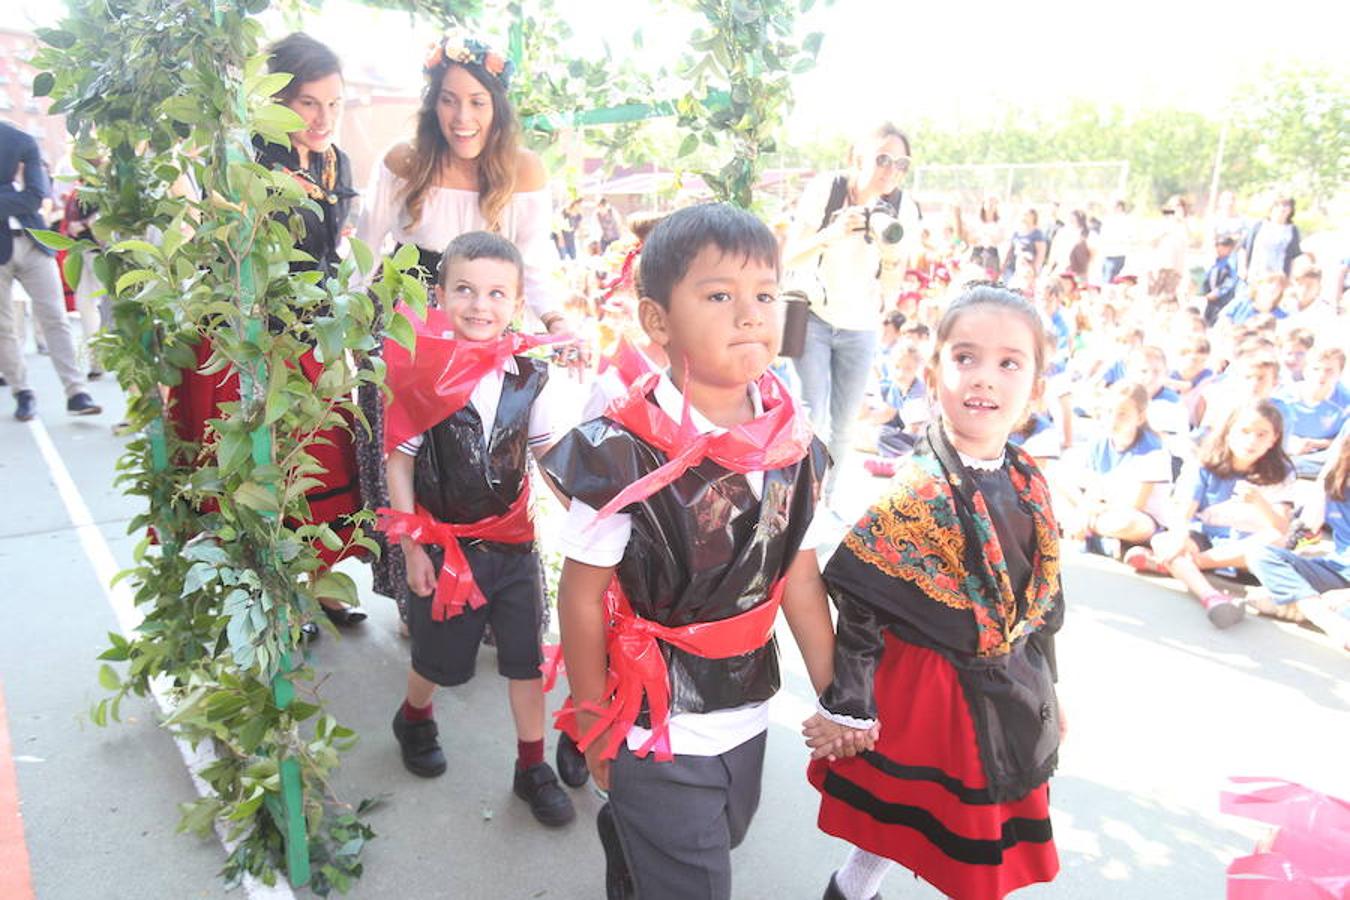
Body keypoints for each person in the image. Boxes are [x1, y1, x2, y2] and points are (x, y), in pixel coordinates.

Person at [542, 204, 849, 900]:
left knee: (725, 834)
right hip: (657, 725)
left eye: (765, 295)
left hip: (747, 709)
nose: (750, 315)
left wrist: (838, 693)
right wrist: (591, 723)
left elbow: (798, 573)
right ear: (657, 321)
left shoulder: (792, 445)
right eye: (719, 295)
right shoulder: (619, 452)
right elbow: (581, 596)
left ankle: (629, 841)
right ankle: (638, 833)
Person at [804, 284, 1065, 900]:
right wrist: (852, 704)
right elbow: (862, 612)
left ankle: (847, 891)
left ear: (1036, 386)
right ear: (933, 375)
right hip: (932, 695)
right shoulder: (915, 495)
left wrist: (1052, 690)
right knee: (939, 834)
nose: (985, 378)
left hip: (1011, 686)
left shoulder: (1030, 482)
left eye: (1009, 363)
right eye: (966, 357)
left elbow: (1045, 607)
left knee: (953, 827)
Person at [355, 30, 570, 616]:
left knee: (489, 470)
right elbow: (365, 253)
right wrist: (350, 335)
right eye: (449, 99)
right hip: (408, 343)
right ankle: (417, 600)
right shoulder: (404, 161)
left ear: (497, 107)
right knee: (411, 469)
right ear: (433, 102)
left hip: (484, 345)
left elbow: (536, 264)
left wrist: (555, 318)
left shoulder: (523, 172)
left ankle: (500, 603)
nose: (462, 116)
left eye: (477, 101)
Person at [170, 33, 366, 633]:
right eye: (309, 103)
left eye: (333, 104)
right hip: (250, 336)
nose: (323, 118)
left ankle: (319, 582)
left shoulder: (336, 160)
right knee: (263, 465)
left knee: (321, 458)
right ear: (277, 98)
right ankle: (271, 594)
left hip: (312, 332)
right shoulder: (244, 160)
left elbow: (332, 251)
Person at [380, 231, 576, 827]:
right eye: (464, 289)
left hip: (515, 547)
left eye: (496, 293)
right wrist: (413, 546)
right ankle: (414, 716)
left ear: (516, 304)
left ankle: (531, 766)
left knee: (525, 660)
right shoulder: (422, 374)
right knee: (438, 661)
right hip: (450, 554)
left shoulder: (530, 379)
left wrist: (591, 521)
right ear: (438, 296)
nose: (479, 305)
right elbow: (400, 459)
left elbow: (550, 457)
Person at [783, 122, 920, 504]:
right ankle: (799, 496)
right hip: (813, 317)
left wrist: (891, 255)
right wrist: (832, 232)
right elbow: (788, 254)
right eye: (882, 158)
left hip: (860, 326)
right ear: (856, 158)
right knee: (811, 414)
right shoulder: (828, 190)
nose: (890, 169)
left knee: (843, 424)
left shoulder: (901, 208)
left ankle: (823, 498)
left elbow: (893, 282)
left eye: (900, 162)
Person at [1126, 401, 1296, 628]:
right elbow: (1184, 511)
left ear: (1273, 439)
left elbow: (1281, 527)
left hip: (1247, 548)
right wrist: (1180, 535)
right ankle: (1211, 596)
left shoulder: (1282, 471)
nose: (1251, 441)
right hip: (1207, 536)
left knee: (1276, 540)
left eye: (1261, 434)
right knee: (1164, 540)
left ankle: (1183, 566)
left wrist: (1260, 502)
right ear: (1229, 432)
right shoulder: (1205, 463)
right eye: (1244, 431)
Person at [0, 121, 100, 420]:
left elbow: (35, 195)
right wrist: (12, 190)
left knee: (56, 317)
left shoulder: (20, 139)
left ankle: (77, 391)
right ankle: (22, 392)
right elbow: (27, 196)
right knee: (2, 326)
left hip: (35, 242)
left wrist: (13, 190)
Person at [1245, 435, 1350, 650]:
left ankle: (1294, 601)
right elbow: (1304, 533)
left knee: (1344, 609)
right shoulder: (1338, 487)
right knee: (1261, 554)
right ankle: (1317, 612)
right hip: (1338, 570)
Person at [1066, 382, 1172, 553]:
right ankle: (1102, 540)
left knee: (1128, 523)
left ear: (1140, 418)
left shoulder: (1153, 451)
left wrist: (1089, 515)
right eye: (1108, 412)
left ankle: (1088, 533)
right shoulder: (1100, 444)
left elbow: (1135, 505)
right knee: (1058, 486)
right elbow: (1093, 490)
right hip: (1103, 510)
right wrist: (1087, 508)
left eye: (1122, 414)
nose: (1112, 420)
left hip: (1139, 517)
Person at [1241, 196, 1301, 280]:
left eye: (1286, 205)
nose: (1282, 208)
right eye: (1277, 205)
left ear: (1291, 210)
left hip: (1278, 279)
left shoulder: (1293, 230)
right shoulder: (1259, 225)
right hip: (1255, 275)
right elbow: (1244, 248)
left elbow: (1294, 257)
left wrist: (1290, 279)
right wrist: (1243, 268)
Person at [1002, 208, 1047, 292]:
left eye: (1026, 214)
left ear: (1033, 217)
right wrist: (1003, 264)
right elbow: (1010, 249)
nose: (1024, 216)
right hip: (1013, 266)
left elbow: (1041, 254)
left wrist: (1034, 271)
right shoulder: (1017, 232)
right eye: (1023, 214)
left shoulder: (1037, 234)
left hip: (1027, 269)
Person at [1200, 236, 1240, 325]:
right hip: (1211, 299)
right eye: (1217, 246)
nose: (1218, 249)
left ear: (1229, 248)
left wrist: (1218, 292)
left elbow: (1230, 280)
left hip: (1223, 300)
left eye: (1221, 247)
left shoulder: (1231, 262)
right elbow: (1206, 276)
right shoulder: (1216, 261)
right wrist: (1203, 290)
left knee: (1219, 321)